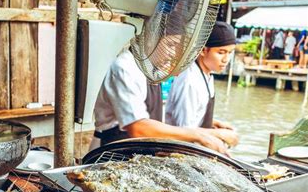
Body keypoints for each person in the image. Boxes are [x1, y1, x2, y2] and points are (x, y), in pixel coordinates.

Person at [92, 26, 238, 154]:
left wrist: (211, 124)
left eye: (177, 46)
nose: (174, 53)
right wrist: (201, 135)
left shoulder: (154, 70)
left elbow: (158, 116)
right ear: (151, 39)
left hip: (140, 152)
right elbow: (138, 128)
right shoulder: (125, 68)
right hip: (110, 151)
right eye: (170, 44)